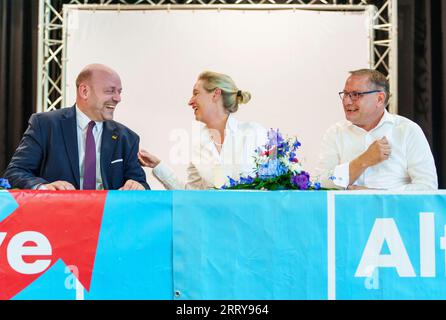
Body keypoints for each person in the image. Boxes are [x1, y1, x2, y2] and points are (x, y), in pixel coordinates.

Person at [3, 63, 150, 190]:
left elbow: (141, 184)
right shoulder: (45, 125)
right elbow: (15, 173)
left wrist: (138, 185)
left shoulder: (127, 138)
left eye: (119, 92)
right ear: (84, 91)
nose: (118, 98)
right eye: (110, 91)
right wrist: (44, 187)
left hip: (107, 221)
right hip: (57, 217)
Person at [138, 71, 267, 189]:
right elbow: (191, 196)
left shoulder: (254, 133)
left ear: (216, 94)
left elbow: (274, 186)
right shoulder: (198, 147)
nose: (190, 101)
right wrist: (158, 166)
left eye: (196, 93)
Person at [315, 68, 437, 190]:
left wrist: (377, 195)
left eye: (356, 95)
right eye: (346, 94)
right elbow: (321, 183)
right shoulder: (335, 133)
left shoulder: (407, 130)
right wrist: (362, 161)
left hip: (393, 209)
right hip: (346, 209)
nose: (347, 101)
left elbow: (428, 187)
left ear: (379, 99)